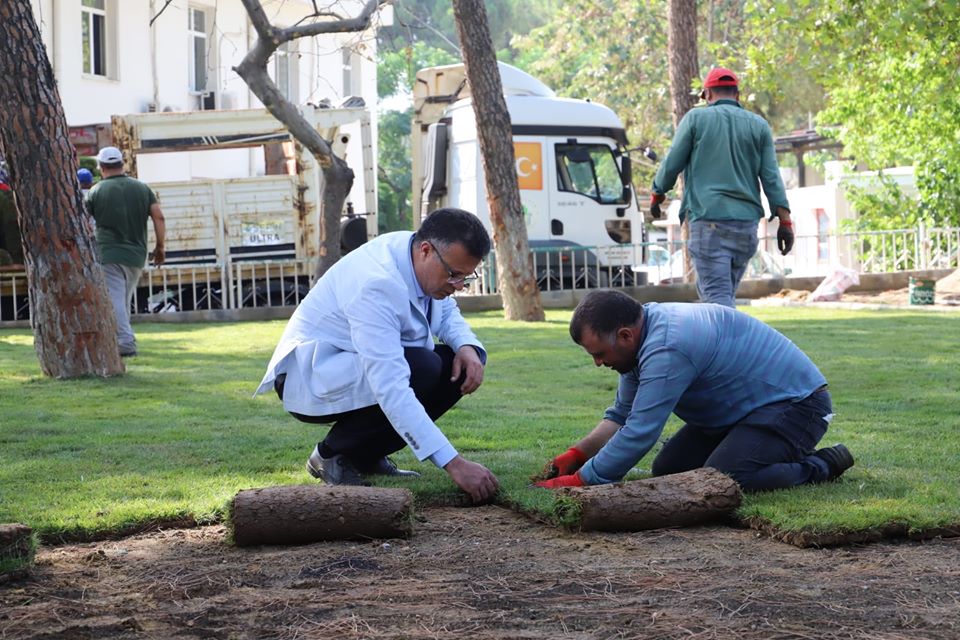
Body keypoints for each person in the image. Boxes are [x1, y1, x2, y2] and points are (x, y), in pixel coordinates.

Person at [255, 207, 500, 503]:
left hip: (353, 365)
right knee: (422, 368)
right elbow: (390, 387)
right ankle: (329, 455)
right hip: (309, 375)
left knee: (453, 366)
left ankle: (365, 456)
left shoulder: (413, 254)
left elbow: (445, 309)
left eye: (466, 278)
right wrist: (454, 463)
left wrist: (467, 347)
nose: (458, 286)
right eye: (453, 275)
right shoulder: (376, 283)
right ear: (426, 250)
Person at [536, 290, 854, 492]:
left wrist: (583, 480)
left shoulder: (668, 346)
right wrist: (577, 454)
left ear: (625, 335)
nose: (597, 363)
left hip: (797, 406)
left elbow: (640, 431)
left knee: (725, 479)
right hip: (739, 415)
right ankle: (761, 451)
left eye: (599, 353)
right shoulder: (641, 338)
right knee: (670, 470)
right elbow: (622, 415)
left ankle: (821, 465)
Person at [650, 66, 794, 308]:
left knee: (718, 305)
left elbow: (673, 161)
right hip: (745, 228)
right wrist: (785, 222)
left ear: (707, 95)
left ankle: (734, 345)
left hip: (709, 222)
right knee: (722, 300)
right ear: (737, 95)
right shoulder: (758, 125)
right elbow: (771, 177)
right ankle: (724, 343)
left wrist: (658, 192)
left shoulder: (695, 119)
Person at [85, 146, 165, 357]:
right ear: (122, 164)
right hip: (137, 255)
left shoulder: (96, 191)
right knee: (122, 300)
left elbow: (83, 222)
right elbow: (159, 216)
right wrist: (160, 247)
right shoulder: (142, 188)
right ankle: (121, 338)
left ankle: (126, 343)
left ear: (101, 167)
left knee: (115, 300)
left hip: (108, 253)